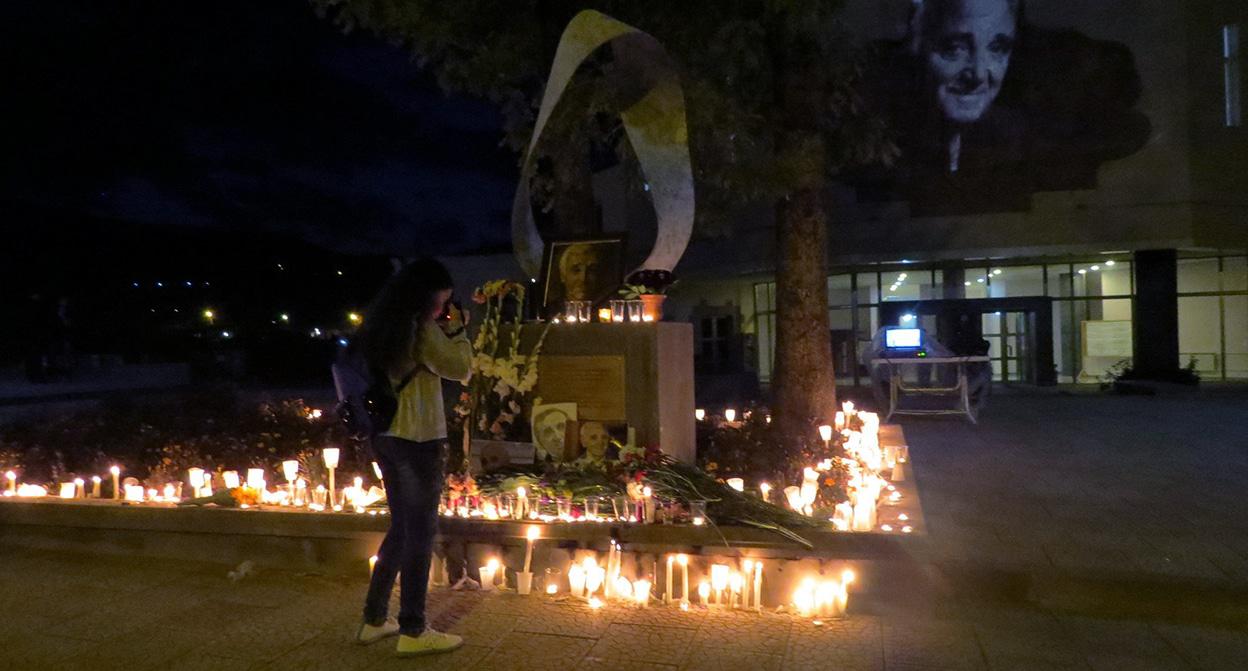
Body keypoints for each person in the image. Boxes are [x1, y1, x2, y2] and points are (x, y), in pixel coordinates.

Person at [352, 259, 471, 657]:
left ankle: (374, 619)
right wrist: (459, 331)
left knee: (402, 529)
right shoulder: (421, 329)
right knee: (420, 533)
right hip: (418, 438)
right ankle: (414, 629)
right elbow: (460, 368)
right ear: (426, 296)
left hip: (385, 435)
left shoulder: (382, 325)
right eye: (441, 300)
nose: (442, 308)